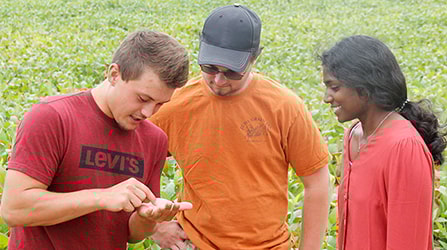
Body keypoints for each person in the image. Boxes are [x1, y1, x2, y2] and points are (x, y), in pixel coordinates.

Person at [149, 4, 330, 250]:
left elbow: (316, 182)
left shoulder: (284, 107)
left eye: (232, 71)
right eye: (209, 68)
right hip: (195, 242)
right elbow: (133, 155)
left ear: (255, 58)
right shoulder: (176, 103)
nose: (219, 81)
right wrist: (155, 227)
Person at [1, 29, 193, 249]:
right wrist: (100, 198)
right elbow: (14, 209)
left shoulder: (154, 139)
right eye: (143, 98)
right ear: (114, 74)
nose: (149, 112)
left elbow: (131, 234)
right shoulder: (52, 117)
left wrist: (148, 218)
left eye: (160, 104)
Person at [320, 35, 446, 250]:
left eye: (335, 87)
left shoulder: (404, 147)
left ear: (364, 88)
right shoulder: (353, 135)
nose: (326, 97)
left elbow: (408, 242)